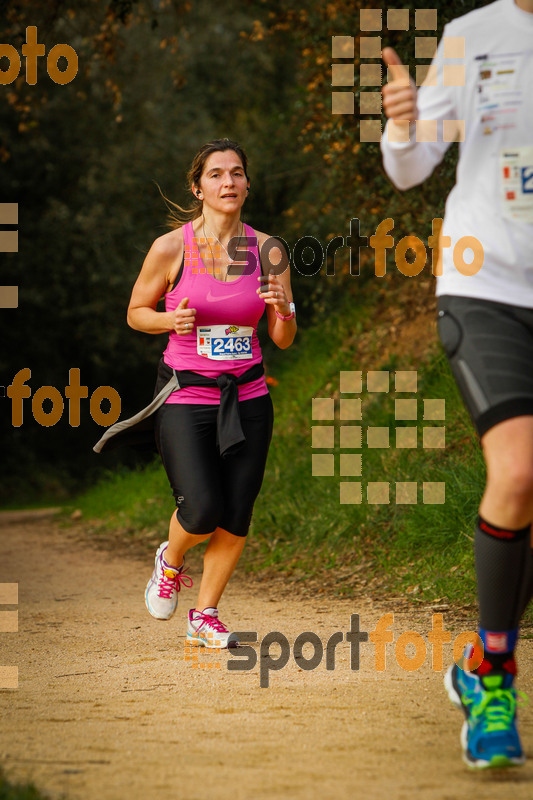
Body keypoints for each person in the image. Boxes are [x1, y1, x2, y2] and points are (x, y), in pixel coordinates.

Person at [380, 0, 533, 769]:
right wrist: (404, 124)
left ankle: (476, 665)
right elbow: (409, 169)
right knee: (516, 472)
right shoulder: (472, 35)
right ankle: (499, 685)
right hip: (486, 288)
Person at [126, 138, 296, 648]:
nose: (229, 183)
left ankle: (205, 615)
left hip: (248, 396)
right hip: (186, 394)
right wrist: (166, 319)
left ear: (247, 183)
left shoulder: (269, 250)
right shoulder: (170, 248)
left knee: (237, 509)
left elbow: (283, 338)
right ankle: (171, 559)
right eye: (217, 174)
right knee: (201, 509)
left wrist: (283, 308)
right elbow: (135, 312)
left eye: (237, 173)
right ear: (198, 187)